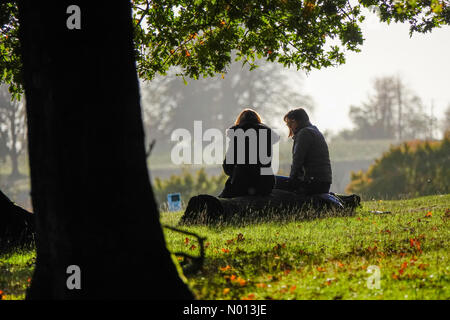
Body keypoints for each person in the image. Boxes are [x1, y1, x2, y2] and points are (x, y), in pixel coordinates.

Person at [218, 108, 280, 198]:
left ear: (240, 122)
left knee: (222, 199)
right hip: (265, 184)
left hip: (243, 184)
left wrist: (236, 172)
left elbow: (227, 166)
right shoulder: (267, 135)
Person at [275, 108, 332, 195]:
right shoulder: (315, 131)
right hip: (322, 183)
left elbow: (297, 161)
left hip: (311, 183)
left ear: (295, 121)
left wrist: (291, 181)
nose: (289, 128)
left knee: (272, 180)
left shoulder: (304, 134)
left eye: (290, 124)